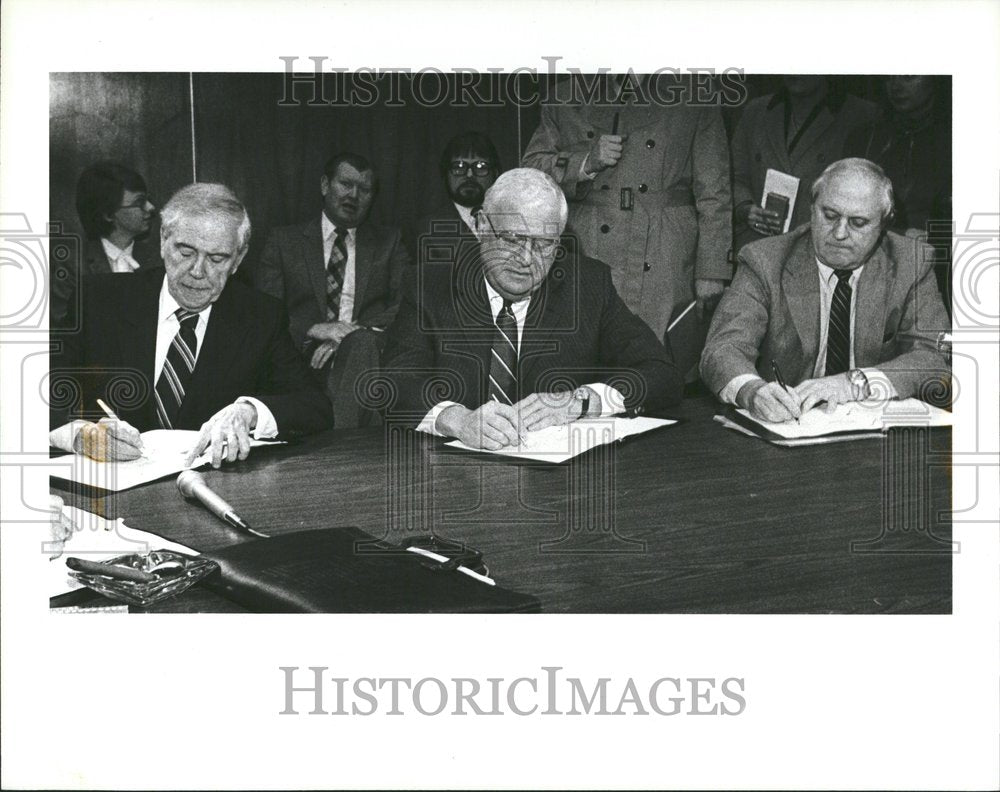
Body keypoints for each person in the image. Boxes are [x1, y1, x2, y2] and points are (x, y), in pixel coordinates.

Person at [381, 168, 683, 450]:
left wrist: (583, 401)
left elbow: (661, 374)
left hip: (558, 481)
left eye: (543, 245)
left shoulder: (588, 286)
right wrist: (457, 420)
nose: (526, 259)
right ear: (482, 226)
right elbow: (397, 381)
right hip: (449, 476)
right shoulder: (430, 286)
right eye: (513, 239)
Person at [49, 183, 333, 467]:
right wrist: (79, 433)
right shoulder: (99, 300)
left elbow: (314, 406)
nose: (198, 272)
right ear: (163, 239)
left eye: (217, 258)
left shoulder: (259, 316)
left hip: (210, 485)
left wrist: (250, 412)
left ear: (238, 259)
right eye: (185, 252)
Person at [700, 158, 950, 423]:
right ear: (812, 208)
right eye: (829, 215)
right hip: (788, 426)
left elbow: (935, 357)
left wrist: (853, 384)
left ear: (883, 225)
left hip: (871, 428)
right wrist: (752, 391)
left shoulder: (911, 262)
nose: (840, 233)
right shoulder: (765, 260)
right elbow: (722, 349)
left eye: (858, 222)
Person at [521, 74, 732, 347]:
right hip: (588, 246)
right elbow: (531, 170)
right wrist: (585, 161)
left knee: (655, 356)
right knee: (588, 352)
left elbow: (715, 191)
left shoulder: (694, 94)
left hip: (663, 251)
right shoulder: (566, 95)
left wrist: (712, 271)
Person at [253, 152, 409, 427]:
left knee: (361, 346)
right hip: (300, 355)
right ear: (325, 185)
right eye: (345, 184)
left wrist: (351, 333)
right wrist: (315, 329)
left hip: (368, 352)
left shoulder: (389, 242)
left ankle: (338, 444)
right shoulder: (284, 242)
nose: (353, 195)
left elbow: (406, 304)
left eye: (364, 189)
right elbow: (263, 310)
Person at [731, 76, 880, 251]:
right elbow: (732, 176)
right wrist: (745, 208)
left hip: (823, 251)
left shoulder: (862, 115)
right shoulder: (755, 111)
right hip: (757, 248)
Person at [845, 76, 951, 310]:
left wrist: (932, 239)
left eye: (909, 76)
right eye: (890, 76)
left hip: (941, 276)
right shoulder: (865, 139)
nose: (896, 85)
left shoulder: (957, 140)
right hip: (870, 271)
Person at [51, 161, 158, 325]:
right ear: (108, 214)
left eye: (148, 199)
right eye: (139, 202)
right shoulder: (71, 264)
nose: (151, 207)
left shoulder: (159, 257)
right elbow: (65, 330)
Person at [411, 131, 501, 255]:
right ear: (445, 174)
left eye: (480, 167)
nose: (470, 175)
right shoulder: (426, 230)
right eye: (459, 167)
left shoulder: (513, 222)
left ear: (495, 173)